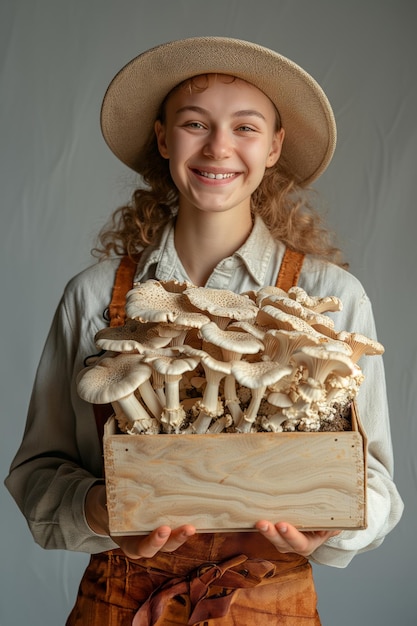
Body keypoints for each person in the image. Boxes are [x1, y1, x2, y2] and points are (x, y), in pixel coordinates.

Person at [5, 37, 403, 625]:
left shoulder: (333, 298)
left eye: (245, 127)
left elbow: (375, 487)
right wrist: (102, 510)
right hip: (121, 603)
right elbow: (37, 474)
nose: (219, 146)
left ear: (274, 147)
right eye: (196, 123)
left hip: (270, 604)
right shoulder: (94, 298)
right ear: (164, 137)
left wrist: (325, 527)